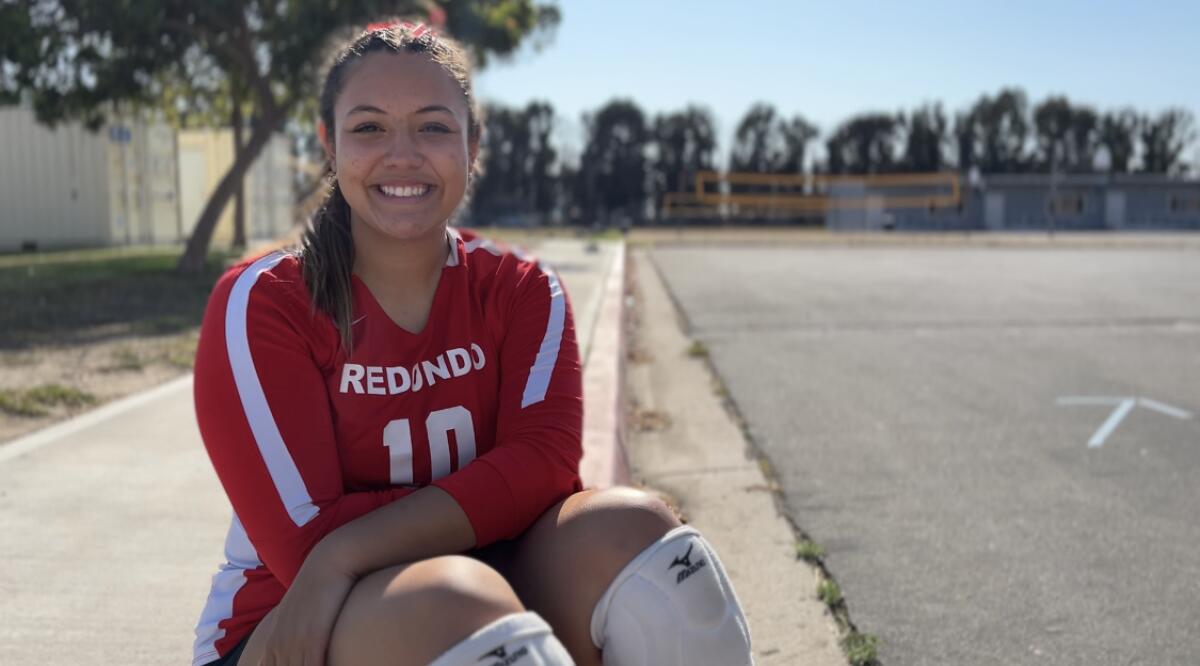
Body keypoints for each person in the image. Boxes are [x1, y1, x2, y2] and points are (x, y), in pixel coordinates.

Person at [191, 21, 752, 666]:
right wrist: (494, 489)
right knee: (461, 601)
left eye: (432, 126)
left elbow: (543, 461)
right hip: (291, 622)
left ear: (471, 146)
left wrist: (348, 546)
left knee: (646, 542)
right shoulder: (268, 301)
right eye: (369, 127)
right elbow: (304, 543)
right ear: (329, 144)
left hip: (470, 589)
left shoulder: (522, 290)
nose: (402, 154)